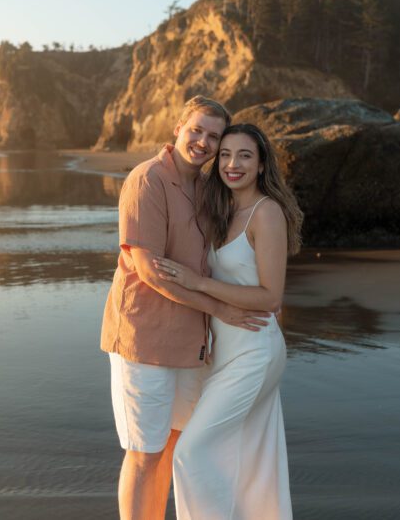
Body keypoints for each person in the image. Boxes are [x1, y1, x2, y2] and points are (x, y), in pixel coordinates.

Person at [100, 98, 272, 520]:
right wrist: (222, 309)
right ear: (178, 127)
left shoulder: (208, 189)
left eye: (214, 136)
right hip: (145, 341)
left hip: (192, 345)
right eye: (197, 130)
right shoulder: (148, 181)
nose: (203, 142)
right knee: (144, 453)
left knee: (175, 445)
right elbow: (151, 272)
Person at [152, 123, 302, 520]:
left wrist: (198, 283)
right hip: (225, 353)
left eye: (245, 156)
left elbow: (271, 297)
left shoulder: (266, 213)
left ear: (261, 164)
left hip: (254, 351)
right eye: (225, 155)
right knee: (247, 456)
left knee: (191, 451)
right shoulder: (222, 210)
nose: (232, 164)